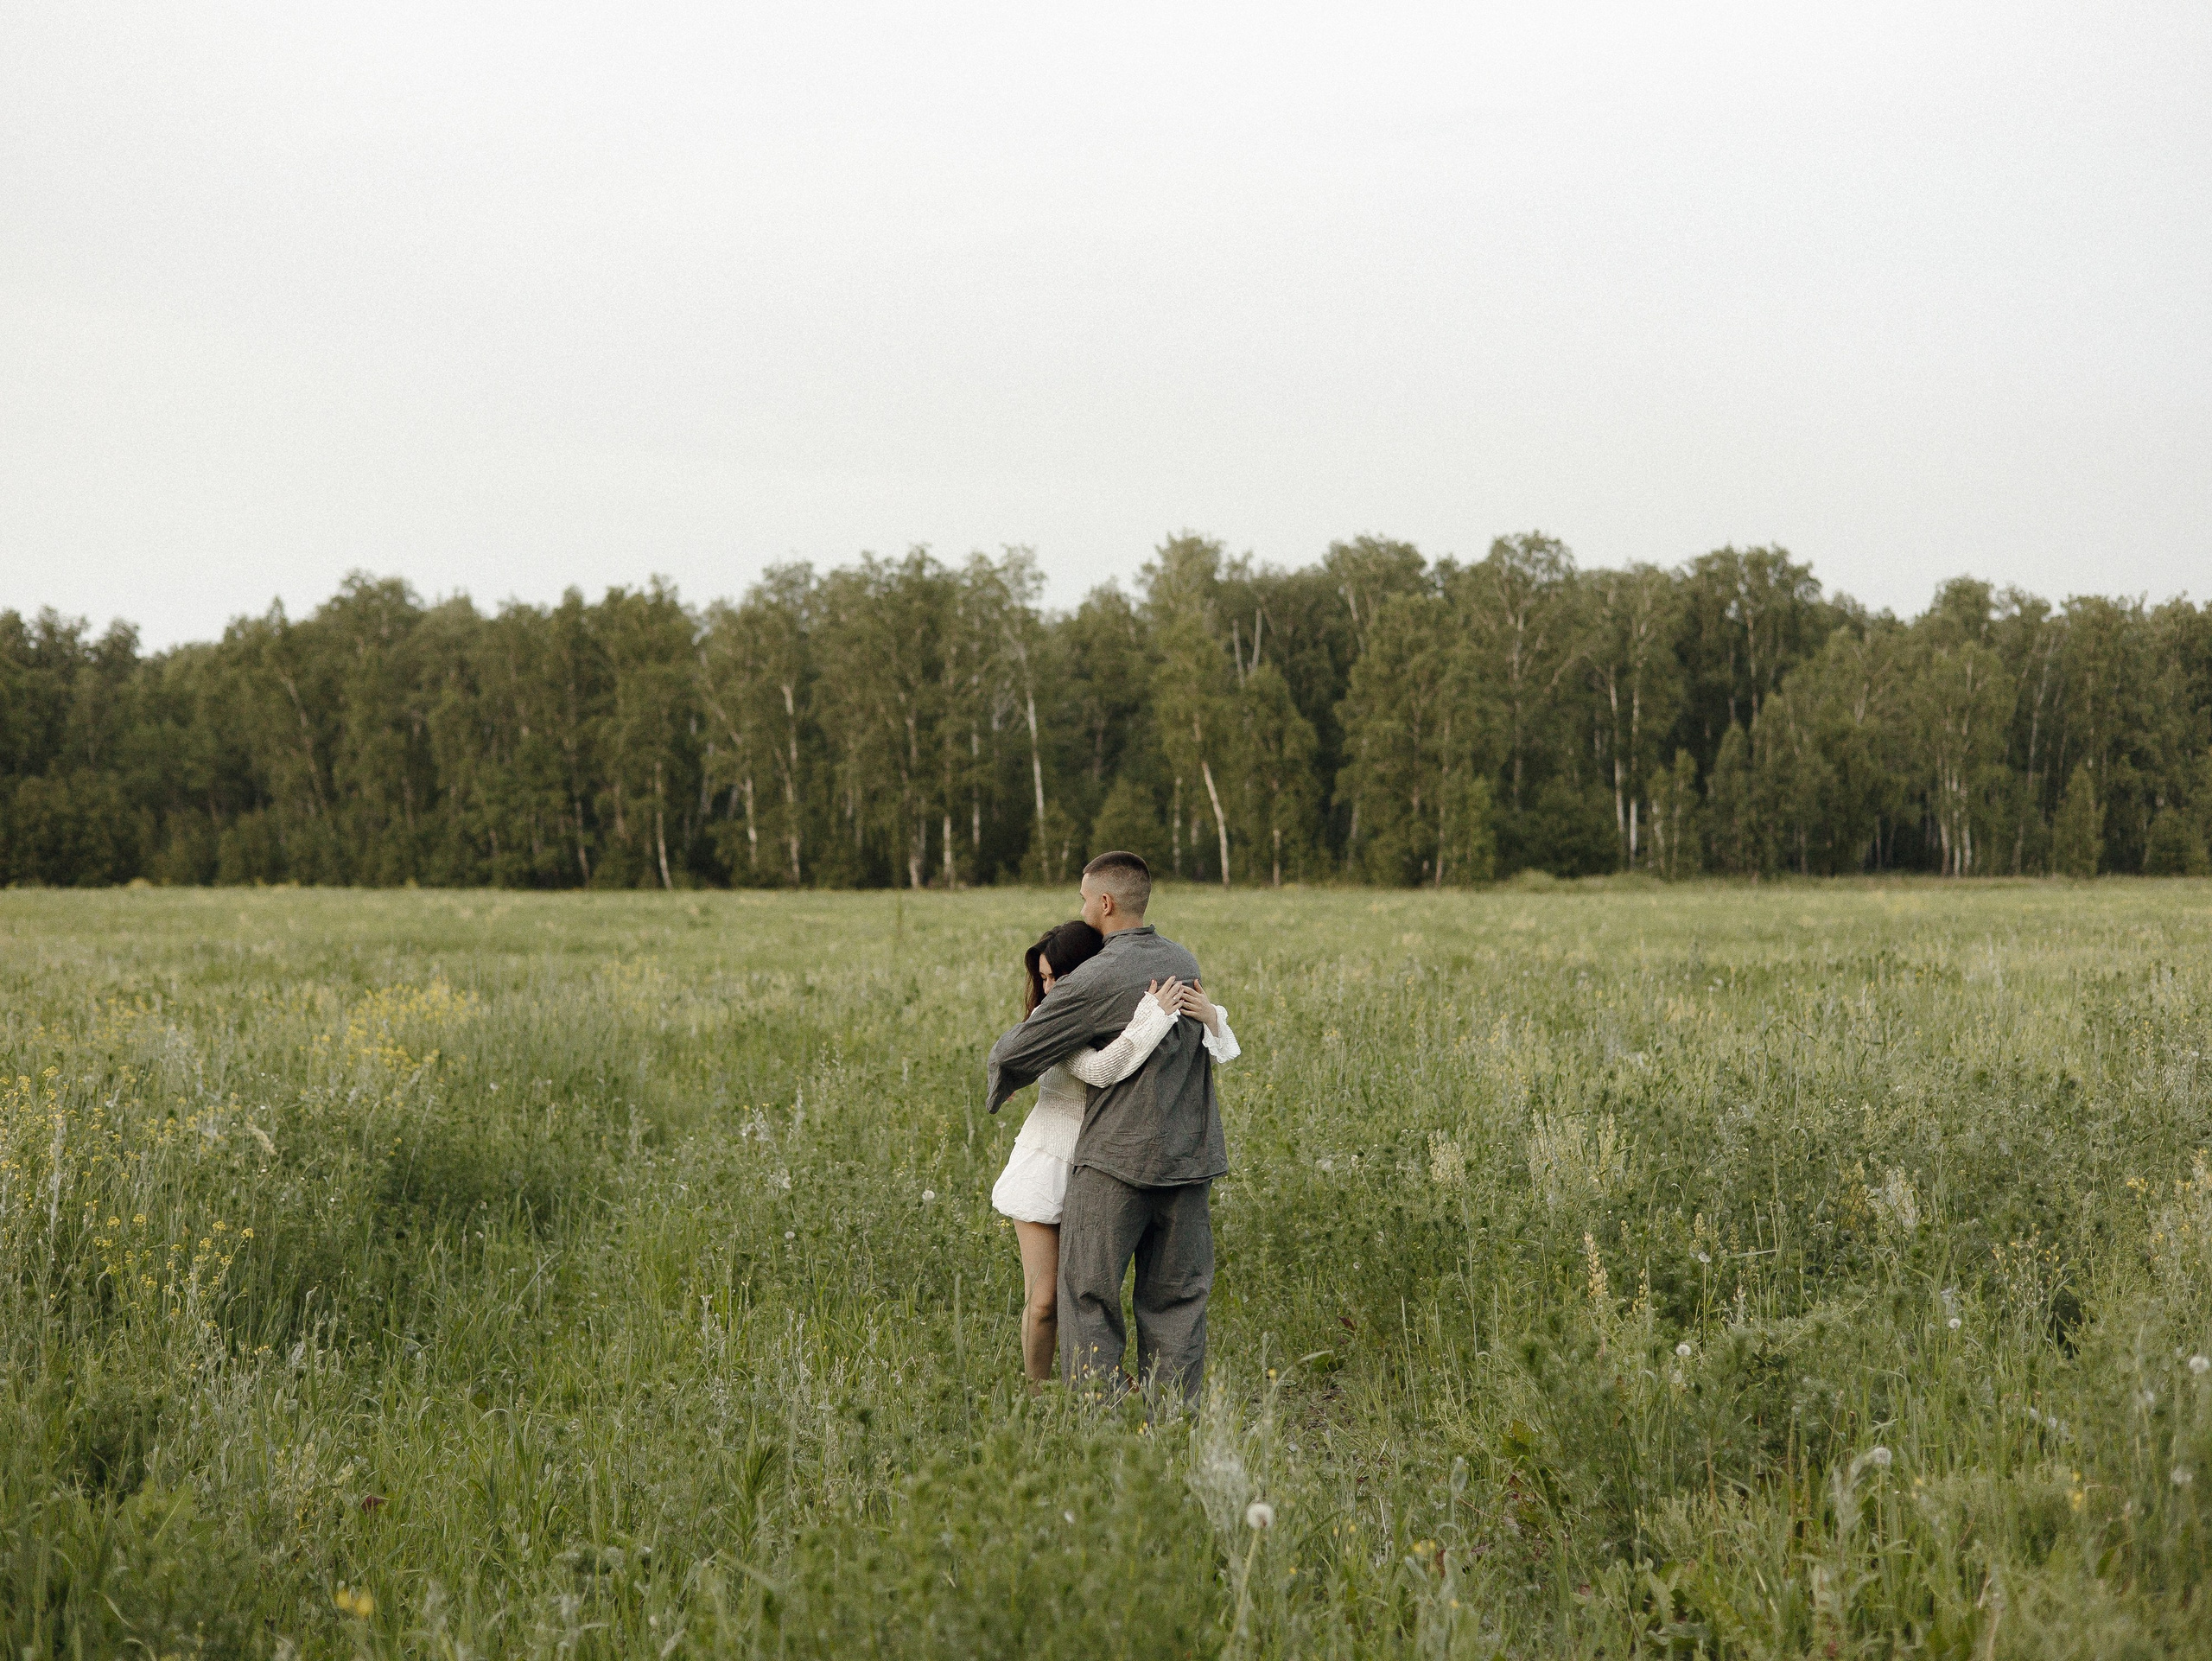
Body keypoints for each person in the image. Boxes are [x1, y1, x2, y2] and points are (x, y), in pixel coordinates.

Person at [986, 850, 1238, 1400]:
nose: (1081, 907)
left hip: (1114, 1162)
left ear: (1104, 902)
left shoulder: (1095, 977)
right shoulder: (1182, 959)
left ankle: (1095, 1424)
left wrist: (1003, 1076)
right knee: (1177, 1299)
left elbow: (1015, 1051)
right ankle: (1171, 1428)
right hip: (1189, 1161)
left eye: (1083, 898)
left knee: (1088, 1299)